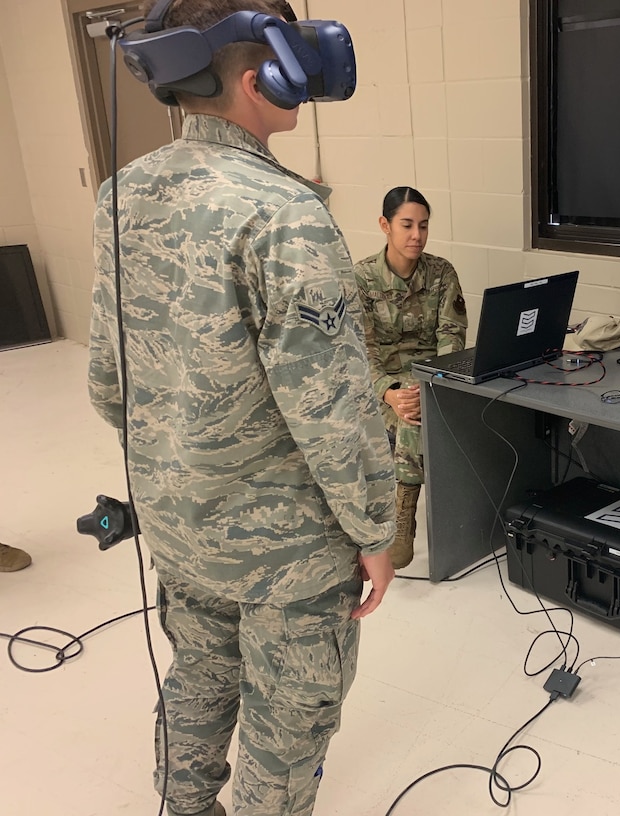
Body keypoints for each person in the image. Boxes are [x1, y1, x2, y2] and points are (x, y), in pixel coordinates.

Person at [87, 3, 396, 815]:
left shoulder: (122, 193)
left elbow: (106, 381)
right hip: (285, 552)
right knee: (288, 729)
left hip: (179, 523)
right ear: (265, 78)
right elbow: (332, 410)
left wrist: (177, 467)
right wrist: (374, 530)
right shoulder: (286, 214)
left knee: (198, 676)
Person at [354, 187, 468, 569]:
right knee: (409, 413)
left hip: (431, 380)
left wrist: (431, 382)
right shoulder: (361, 279)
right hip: (381, 388)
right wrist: (389, 392)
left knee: (417, 403)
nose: (416, 235)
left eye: (423, 225)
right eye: (407, 225)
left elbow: (452, 337)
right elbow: (359, 354)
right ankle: (404, 513)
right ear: (385, 225)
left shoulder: (441, 273)